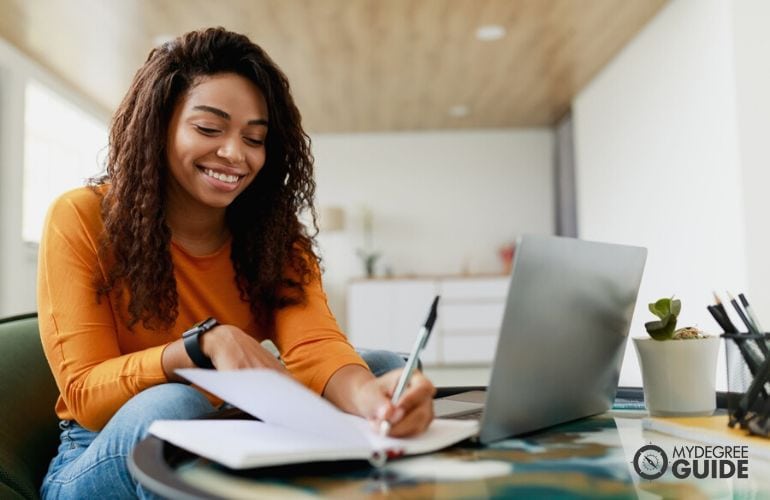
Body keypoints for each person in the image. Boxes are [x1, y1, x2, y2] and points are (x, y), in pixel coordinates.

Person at [37, 27, 435, 499]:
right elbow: (85, 394)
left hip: (227, 429)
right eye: (209, 129)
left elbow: (315, 344)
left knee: (383, 367)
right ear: (158, 124)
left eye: (254, 138)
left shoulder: (274, 236)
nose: (234, 154)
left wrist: (374, 402)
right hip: (102, 452)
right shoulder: (80, 217)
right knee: (173, 402)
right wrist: (201, 346)